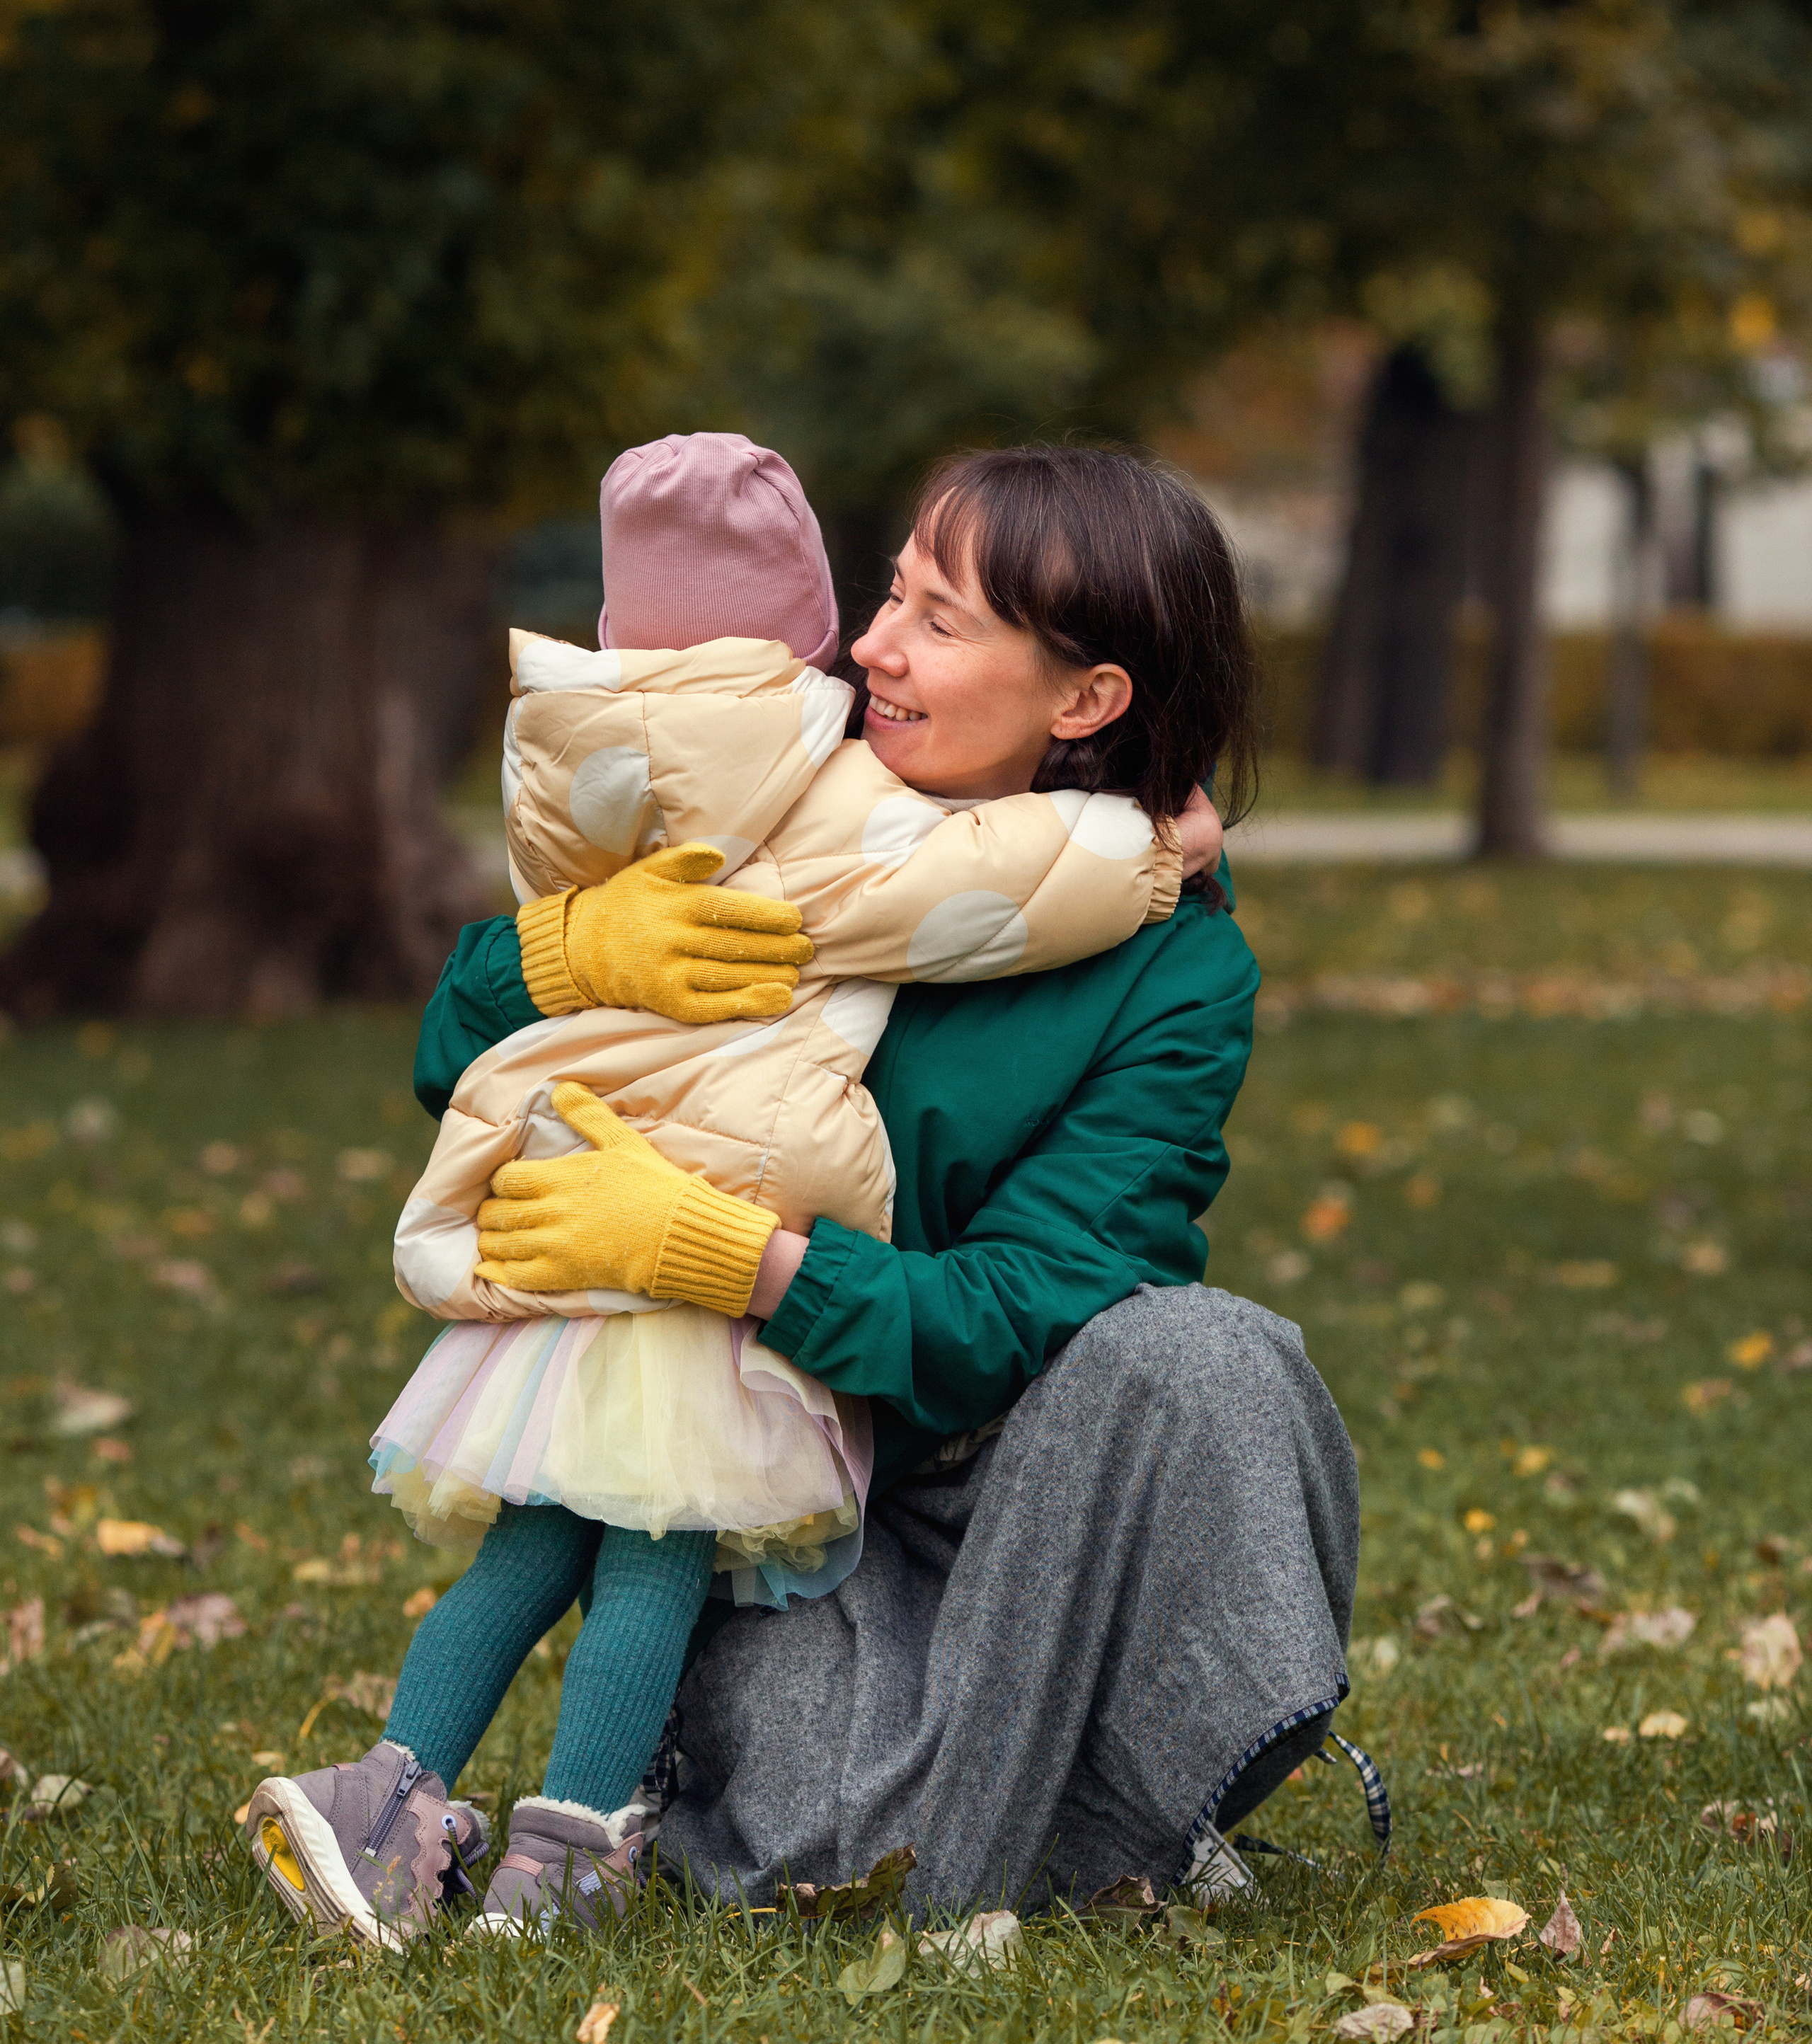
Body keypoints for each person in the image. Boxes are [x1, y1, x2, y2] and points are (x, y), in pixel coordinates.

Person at [307, 445, 1355, 1930]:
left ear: (1085, 699)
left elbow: (1027, 1307)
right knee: (815, 1832)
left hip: (993, 1475)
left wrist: (729, 1258)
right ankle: (678, 1788)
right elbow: (474, 1058)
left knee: (1204, 1358)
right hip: (784, 1496)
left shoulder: (1171, 968)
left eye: (938, 620)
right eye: (887, 591)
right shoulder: (789, 780)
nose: (869, 643)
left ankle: (1101, 1773)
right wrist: (562, 955)